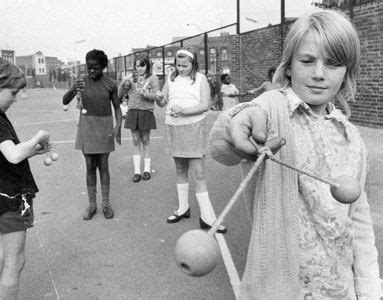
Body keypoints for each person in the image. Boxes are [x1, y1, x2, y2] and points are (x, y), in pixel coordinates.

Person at [208, 10, 380, 298]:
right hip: (282, 289)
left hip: (340, 288)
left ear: (347, 72)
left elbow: (359, 221)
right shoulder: (273, 110)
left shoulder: (352, 137)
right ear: (288, 67)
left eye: (334, 64)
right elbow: (221, 147)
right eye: (307, 60)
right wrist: (240, 123)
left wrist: (369, 288)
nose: (319, 73)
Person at [0, 54, 50, 299]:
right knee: (15, 262)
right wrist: (37, 138)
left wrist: (33, 151)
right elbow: (14, 155)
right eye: (12, 93)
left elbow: (6, 156)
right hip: (10, 199)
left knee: (3, 258)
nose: (15, 99)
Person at [156, 47, 226, 233]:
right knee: (180, 170)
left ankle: (207, 217)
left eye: (185, 65)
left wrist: (183, 111)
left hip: (194, 127)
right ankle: (183, 208)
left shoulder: (201, 79)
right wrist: (159, 98)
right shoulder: (170, 78)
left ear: (193, 63)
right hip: (174, 126)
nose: (181, 68)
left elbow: (205, 105)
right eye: (178, 65)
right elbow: (163, 103)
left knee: (199, 174)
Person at [62, 49, 122, 220]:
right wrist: (74, 88)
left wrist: (118, 125)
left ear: (103, 66)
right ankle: (92, 205)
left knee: (103, 166)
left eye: (95, 67)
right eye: (89, 68)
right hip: (86, 126)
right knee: (89, 166)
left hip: (104, 127)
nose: (92, 71)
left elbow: (117, 108)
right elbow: (65, 101)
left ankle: (106, 205)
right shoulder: (81, 82)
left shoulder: (110, 84)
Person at [118, 53, 159, 182]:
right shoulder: (131, 78)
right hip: (133, 112)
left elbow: (157, 96)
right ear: (134, 66)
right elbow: (120, 94)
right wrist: (124, 84)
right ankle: (137, 172)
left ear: (147, 65)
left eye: (143, 65)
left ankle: (146, 170)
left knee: (145, 139)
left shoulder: (153, 78)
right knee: (136, 140)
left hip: (146, 111)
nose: (140, 68)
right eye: (138, 66)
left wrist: (146, 94)